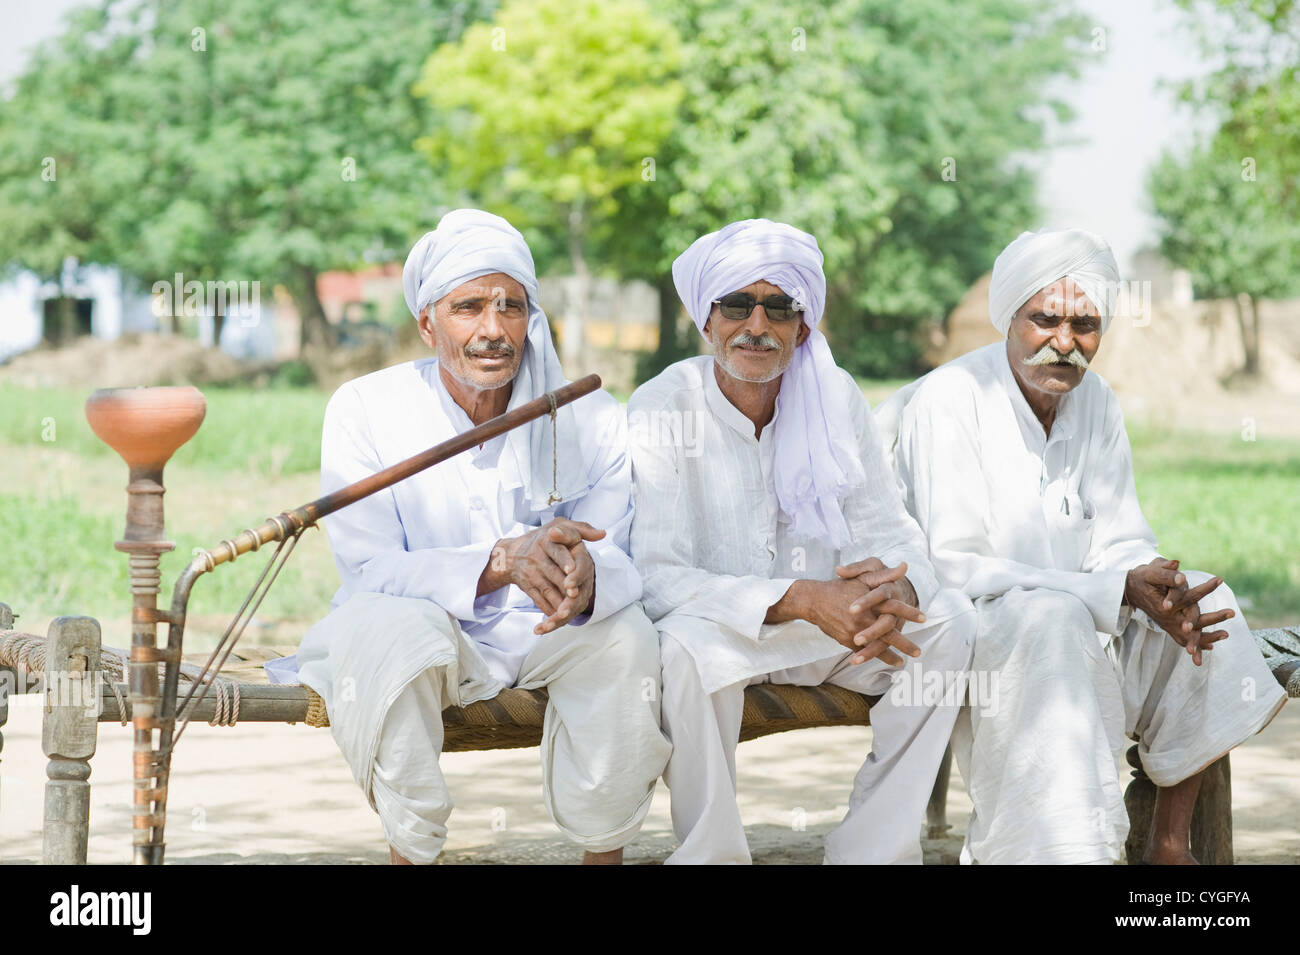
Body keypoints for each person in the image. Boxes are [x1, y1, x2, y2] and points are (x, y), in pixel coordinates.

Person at [890, 227, 1287, 864]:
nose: (1065, 342)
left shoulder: (1095, 400)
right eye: (1044, 320)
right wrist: (1108, 590)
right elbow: (953, 567)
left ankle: (1167, 843)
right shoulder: (950, 400)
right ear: (1009, 319)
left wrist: (1152, 582)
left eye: (1086, 325)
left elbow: (1122, 538)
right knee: (1052, 617)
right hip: (982, 639)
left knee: (1209, 606)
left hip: (1083, 624)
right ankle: (1056, 851)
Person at [291, 209, 670, 865]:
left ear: (530, 317)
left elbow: (625, 552)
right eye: (468, 307)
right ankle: (412, 854)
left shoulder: (592, 418)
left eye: (511, 307)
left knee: (626, 637)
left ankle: (603, 855)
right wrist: (497, 564)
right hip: (427, 625)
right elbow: (369, 566)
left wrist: (587, 577)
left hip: (546, 628)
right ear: (427, 322)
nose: (493, 329)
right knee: (390, 636)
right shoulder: (365, 409)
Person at [629, 218, 977, 865]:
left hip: (834, 634)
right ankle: (712, 855)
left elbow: (891, 530)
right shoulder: (662, 406)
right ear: (707, 319)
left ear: (803, 324)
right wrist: (795, 597)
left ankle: (873, 851)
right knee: (679, 647)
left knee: (950, 622)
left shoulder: (833, 396)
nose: (756, 325)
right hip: (724, 632)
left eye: (778, 307)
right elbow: (654, 575)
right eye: (737, 304)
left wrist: (897, 585)